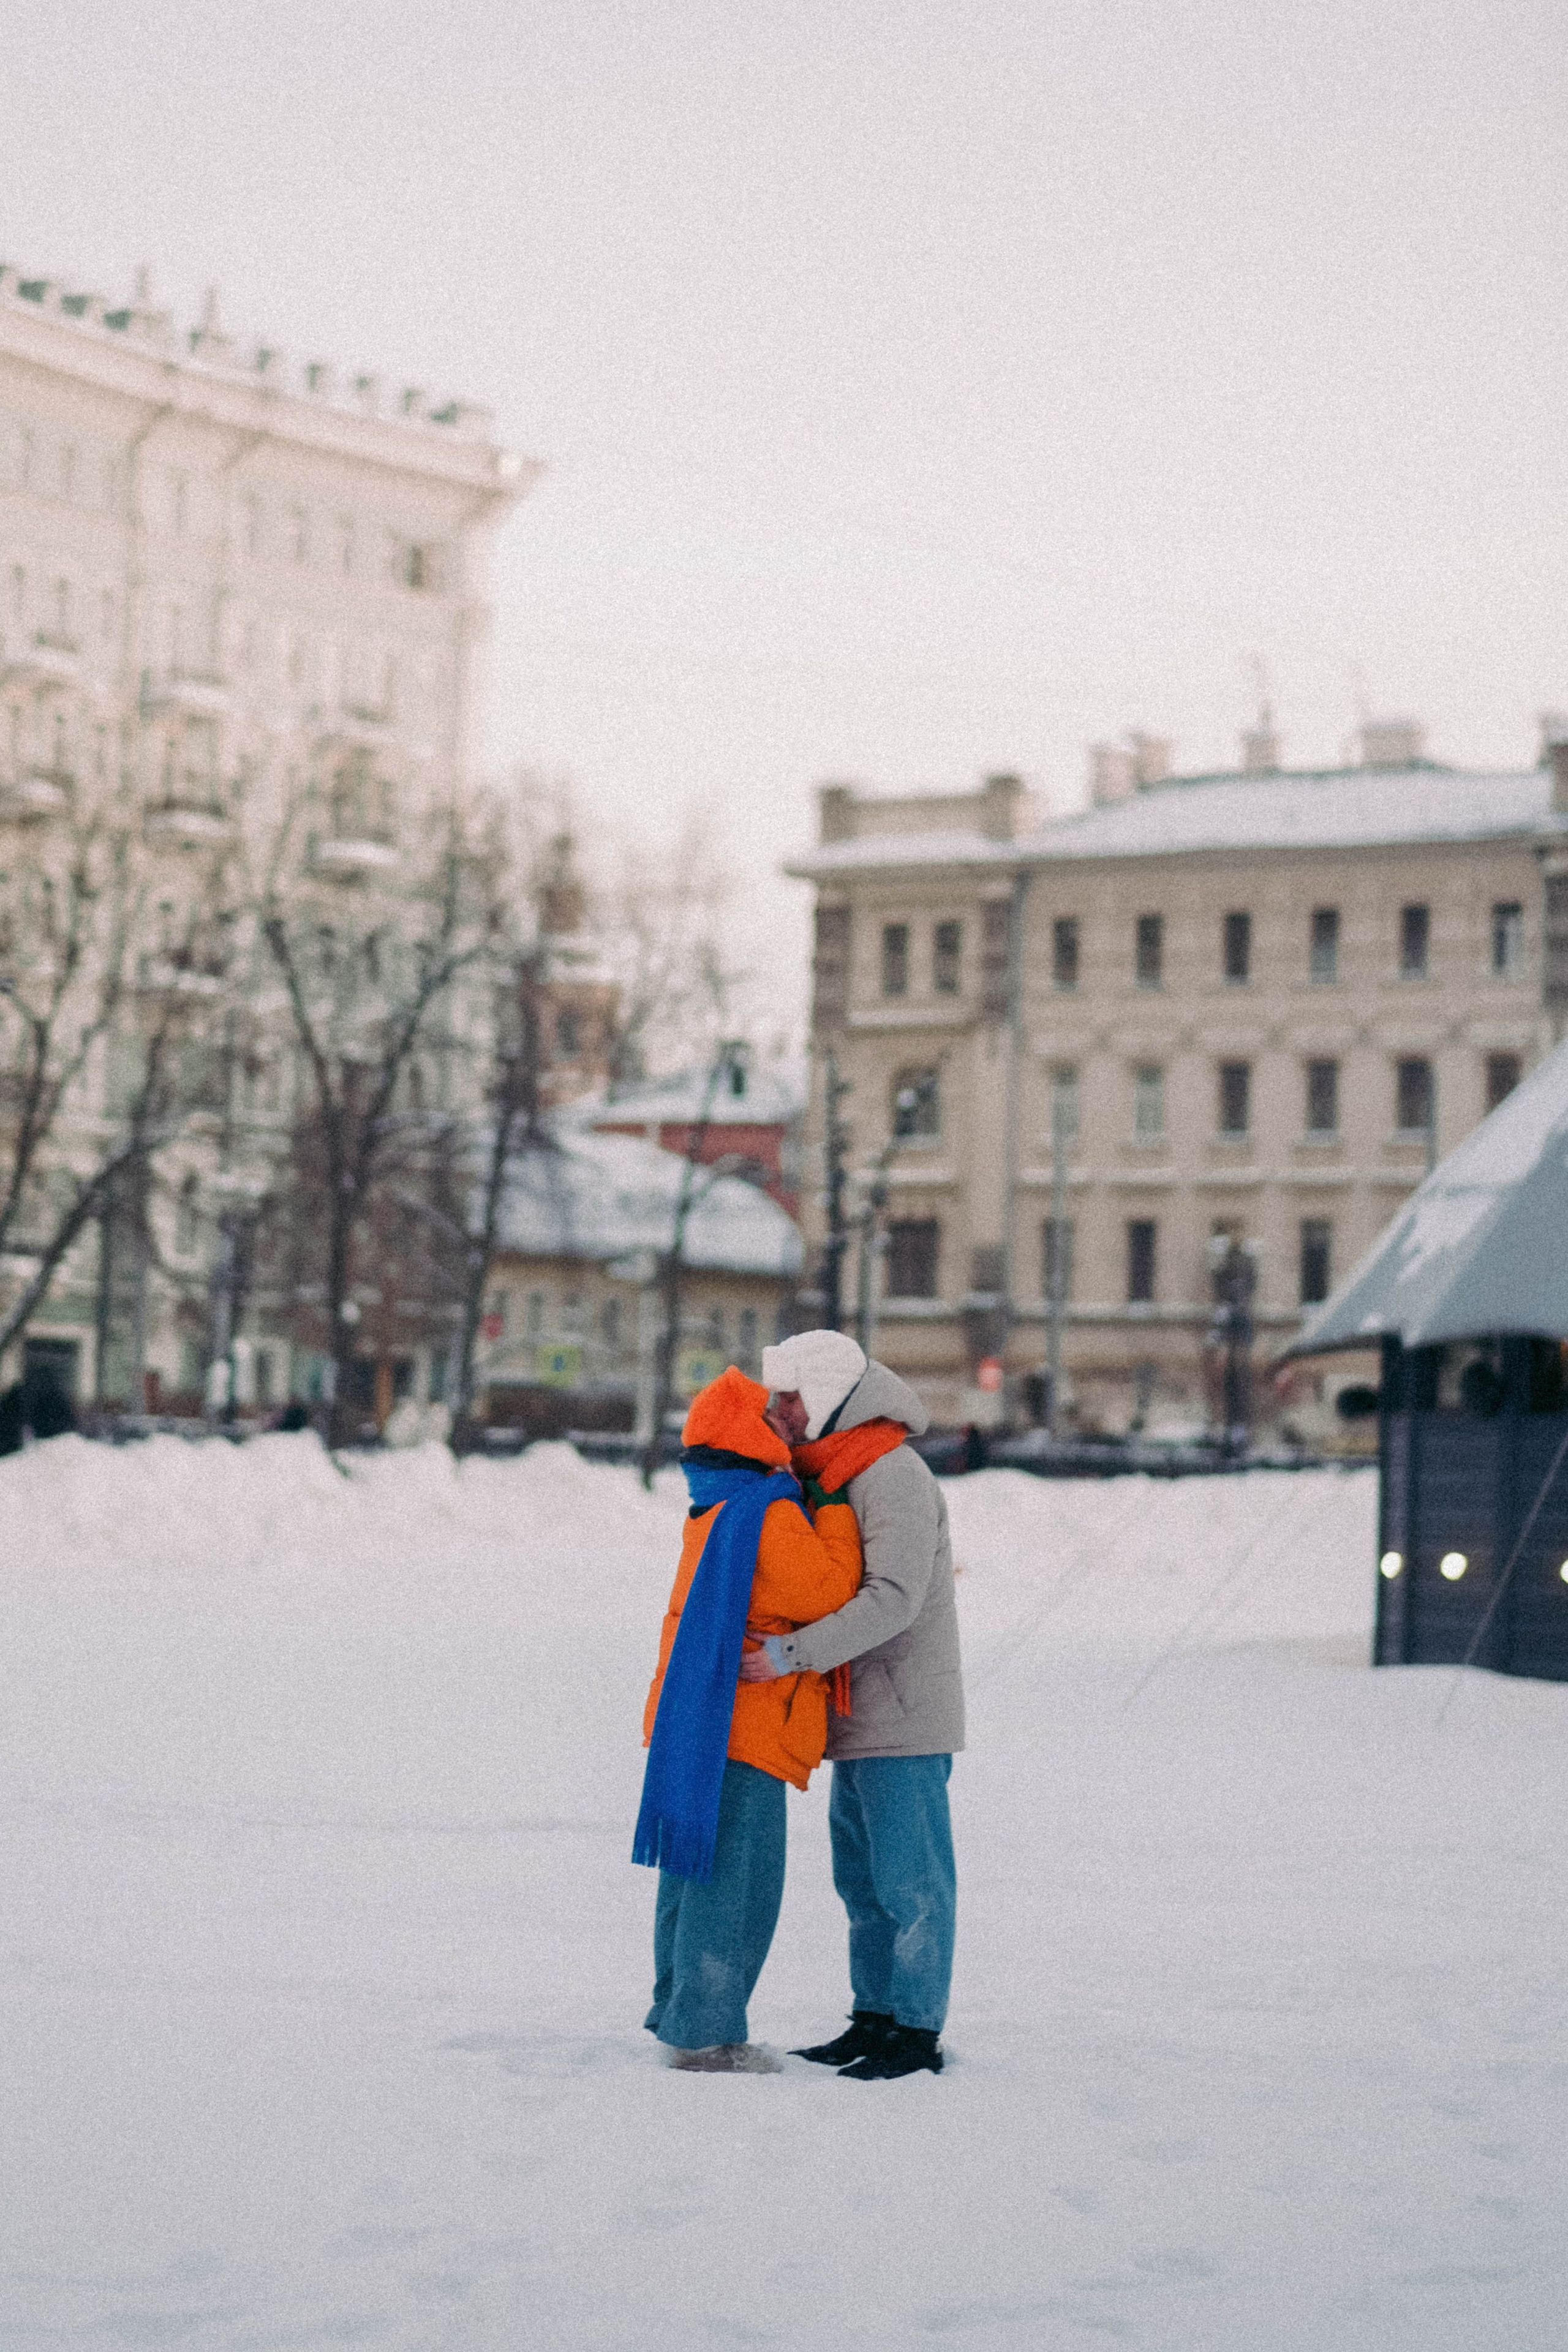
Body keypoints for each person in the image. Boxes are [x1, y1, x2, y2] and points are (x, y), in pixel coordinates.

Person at [741, 1329, 962, 2081]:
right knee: (863, 1883)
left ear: (831, 1395)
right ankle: (873, 2017)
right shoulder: (835, 1472)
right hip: (859, 1715)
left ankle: (916, 2030)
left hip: (902, 1716)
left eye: (792, 1397)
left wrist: (785, 1657)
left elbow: (892, 1600)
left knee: (912, 1883)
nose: (780, 1412)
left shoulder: (889, 1473)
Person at [635, 1363, 862, 2073]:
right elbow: (826, 1588)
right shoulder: (767, 1510)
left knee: (694, 1876)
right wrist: (835, 1510)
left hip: (698, 1722)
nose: (785, 1430)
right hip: (749, 1725)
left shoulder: (712, 1504)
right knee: (734, 1888)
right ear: (749, 1436)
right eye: (771, 1420)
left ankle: (684, 2014)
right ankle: (705, 2038)